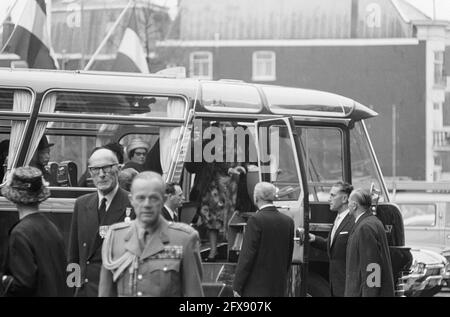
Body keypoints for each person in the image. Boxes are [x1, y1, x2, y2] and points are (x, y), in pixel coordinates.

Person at [99, 171, 204, 297]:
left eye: (153, 198)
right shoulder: (115, 237)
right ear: (131, 200)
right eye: (141, 198)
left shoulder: (184, 239)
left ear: (163, 200)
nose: (147, 204)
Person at [68, 147, 134, 297]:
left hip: (116, 291)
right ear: (90, 172)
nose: (102, 175)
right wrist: (73, 290)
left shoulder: (133, 203)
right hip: (86, 291)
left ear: (118, 169)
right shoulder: (82, 204)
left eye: (107, 168)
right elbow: (74, 255)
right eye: (96, 170)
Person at [1, 167, 70, 296]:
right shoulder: (51, 228)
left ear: (13, 198)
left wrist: (4, 280)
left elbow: (23, 284)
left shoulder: (20, 233)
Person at [232, 182, 294, 297]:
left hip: (256, 288)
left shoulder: (255, 220)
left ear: (256, 198)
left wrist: (237, 285)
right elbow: (288, 257)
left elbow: (247, 256)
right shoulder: (288, 221)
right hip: (278, 287)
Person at [300, 181, 354, 297]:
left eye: (333, 195)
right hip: (336, 283)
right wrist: (314, 238)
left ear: (345, 198)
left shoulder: (352, 221)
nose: (329, 199)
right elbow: (332, 246)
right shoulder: (338, 219)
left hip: (347, 283)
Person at [345, 188, 395, 297]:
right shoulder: (373, 222)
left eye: (348, 202)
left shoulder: (365, 227)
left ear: (354, 205)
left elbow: (372, 266)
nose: (347, 205)